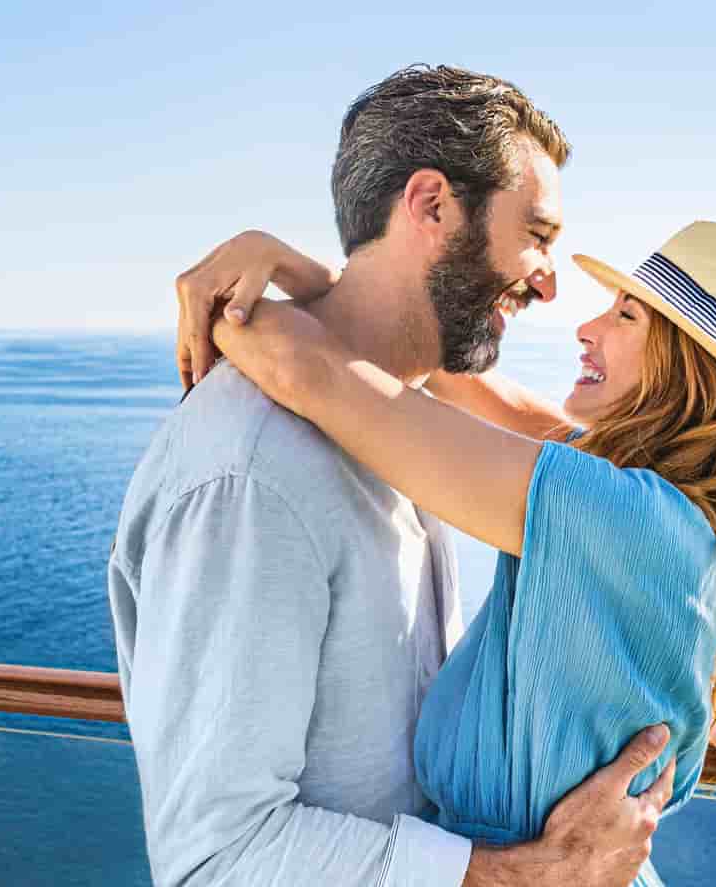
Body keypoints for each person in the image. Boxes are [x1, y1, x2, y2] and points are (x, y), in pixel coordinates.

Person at [109, 65, 674, 887]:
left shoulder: (402, 431)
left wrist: (304, 279)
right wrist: (526, 877)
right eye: (539, 236)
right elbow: (215, 860)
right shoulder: (252, 475)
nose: (549, 284)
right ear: (432, 205)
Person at [179, 218, 716, 886]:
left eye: (626, 316)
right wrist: (293, 265)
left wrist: (231, 298)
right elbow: (453, 376)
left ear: (689, 368)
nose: (588, 327)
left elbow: (304, 368)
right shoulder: (662, 513)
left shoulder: (619, 515)